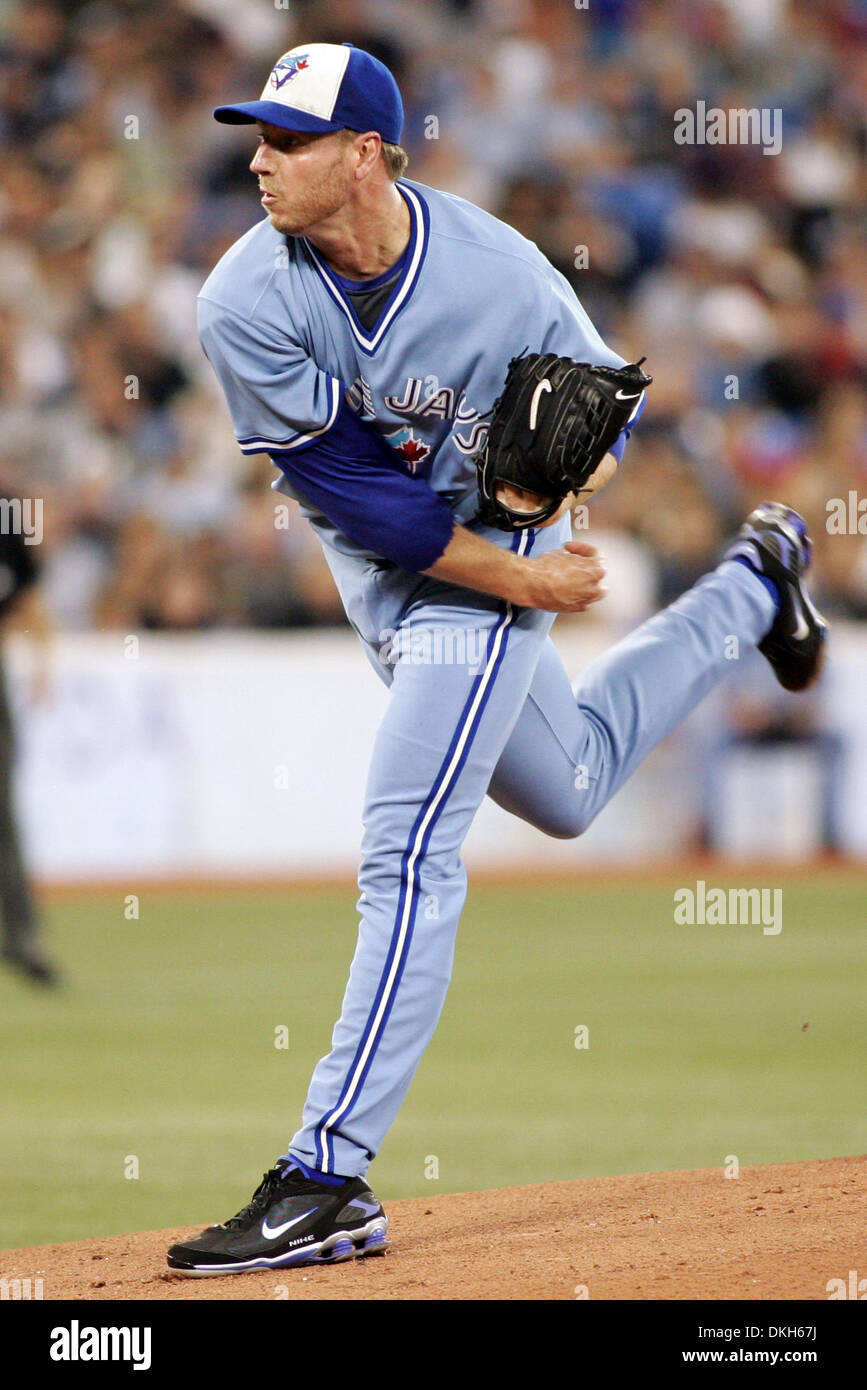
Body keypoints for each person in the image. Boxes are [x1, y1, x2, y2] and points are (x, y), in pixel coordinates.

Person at [167, 43, 826, 1276]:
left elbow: (613, 428)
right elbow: (355, 494)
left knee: (406, 852)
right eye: (258, 135)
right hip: (411, 573)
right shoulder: (243, 298)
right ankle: (757, 580)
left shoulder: (502, 270)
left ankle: (328, 1173)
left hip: (488, 574)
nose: (257, 157)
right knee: (570, 786)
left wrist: (556, 489)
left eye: (288, 139)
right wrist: (522, 574)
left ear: (366, 154)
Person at [0, 497, 57, 986]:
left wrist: (42, 661)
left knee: (2, 815)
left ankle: (21, 937)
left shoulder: (6, 512)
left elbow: (28, 595)